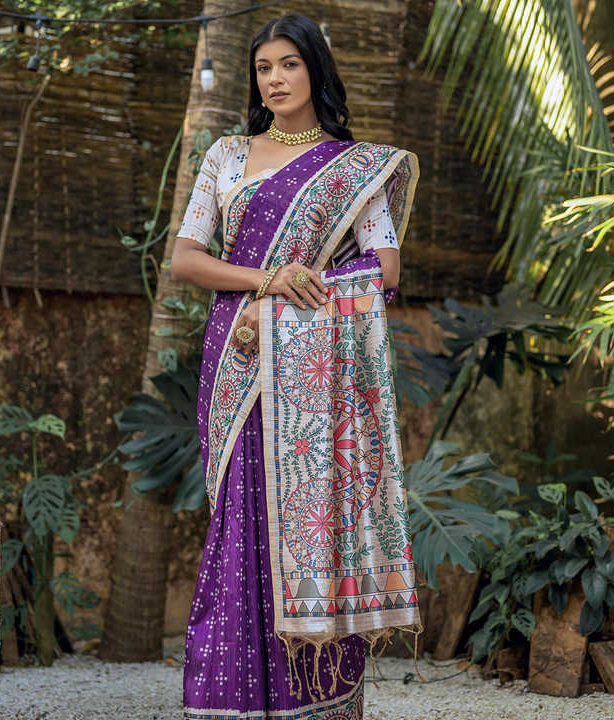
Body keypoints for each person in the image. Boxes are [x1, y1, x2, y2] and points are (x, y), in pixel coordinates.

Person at [170, 12, 421, 719]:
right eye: (263, 68)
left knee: (311, 524)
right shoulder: (226, 156)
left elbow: (385, 269)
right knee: (240, 524)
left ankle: (317, 700)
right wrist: (267, 281)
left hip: (310, 373)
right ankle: (232, 700)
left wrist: (289, 297)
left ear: (315, 69)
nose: (274, 80)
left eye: (289, 64)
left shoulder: (355, 167)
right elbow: (186, 259)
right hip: (238, 359)